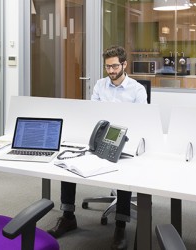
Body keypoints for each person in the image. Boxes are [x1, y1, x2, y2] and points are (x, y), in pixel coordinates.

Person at [47, 45, 147, 250]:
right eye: (107, 67)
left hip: (124, 140)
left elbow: (143, 121)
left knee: (123, 172)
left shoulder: (137, 89)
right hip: (99, 138)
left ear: (124, 64)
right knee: (69, 163)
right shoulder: (100, 86)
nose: (110, 71)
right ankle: (68, 216)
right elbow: (92, 114)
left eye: (114, 66)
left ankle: (120, 225)